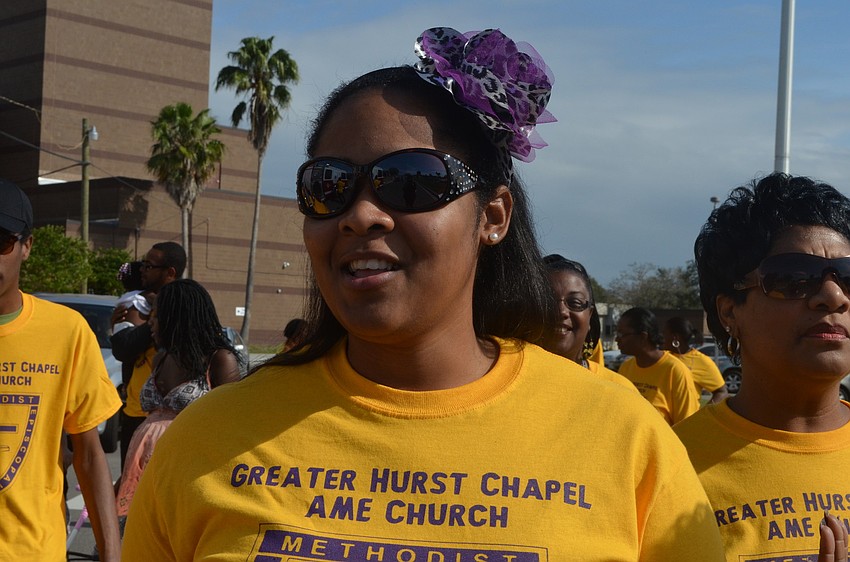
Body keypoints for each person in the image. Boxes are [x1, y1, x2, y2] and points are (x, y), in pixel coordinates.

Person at [122, 27, 724, 560]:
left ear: (493, 215)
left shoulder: (620, 433)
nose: (361, 215)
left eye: (410, 182)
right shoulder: (208, 438)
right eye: (330, 185)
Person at [674, 173, 850, 562]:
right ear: (729, 311)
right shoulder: (668, 464)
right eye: (793, 278)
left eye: (848, 278)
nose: (834, 297)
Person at [0, 179, 122, 560]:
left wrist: (111, 552)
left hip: (32, 550)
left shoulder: (65, 332)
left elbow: (88, 455)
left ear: (27, 246)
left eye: (0, 242)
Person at [116, 279, 241, 521]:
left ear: (178, 318)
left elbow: (232, 425)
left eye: (157, 315)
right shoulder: (160, 359)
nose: (150, 322)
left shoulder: (219, 360)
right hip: (142, 468)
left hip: (190, 470)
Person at [110, 241, 185, 471]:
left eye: (149, 265)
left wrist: (160, 314)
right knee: (130, 494)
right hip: (136, 413)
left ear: (170, 272)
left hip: (173, 417)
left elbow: (127, 344)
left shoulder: (183, 304)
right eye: (143, 264)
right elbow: (123, 348)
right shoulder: (138, 302)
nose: (142, 269)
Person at [539, 254, 635, 391]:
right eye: (548, 301)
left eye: (575, 303)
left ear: (590, 315)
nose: (561, 311)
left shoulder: (621, 390)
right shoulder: (506, 382)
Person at [616, 307, 700, 425]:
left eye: (622, 334)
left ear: (643, 336)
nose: (617, 339)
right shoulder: (625, 368)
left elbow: (687, 425)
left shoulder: (674, 370)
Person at [663, 316, 729, 404]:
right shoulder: (662, 357)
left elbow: (722, 392)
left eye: (665, 334)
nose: (662, 338)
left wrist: (704, 414)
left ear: (675, 337)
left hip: (686, 417)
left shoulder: (701, 361)